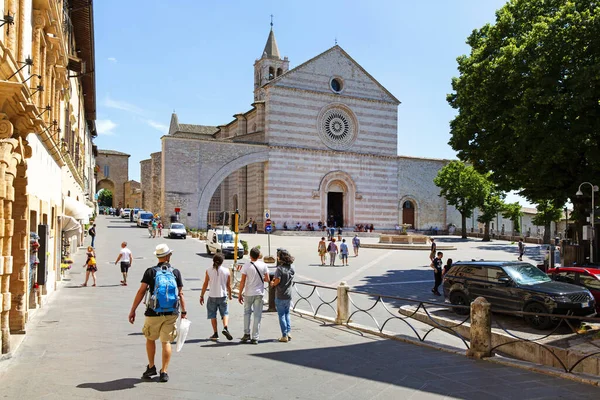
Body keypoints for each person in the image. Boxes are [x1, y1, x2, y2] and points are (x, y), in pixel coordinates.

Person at [128, 244, 187, 383]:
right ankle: (164, 371)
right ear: (168, 256)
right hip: (171, 312)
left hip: (153, 312)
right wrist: (184, 311)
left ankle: (151, 366)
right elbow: (180, 293)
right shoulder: (175, 272)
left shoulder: (150, 272)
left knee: (150, 338)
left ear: (158, 256)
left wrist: (133, 310)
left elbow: (141, 291)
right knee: (166, 342)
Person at [238, 247, 269, 344]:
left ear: (250, 255)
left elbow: (242, 281)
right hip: (259, 293)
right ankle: (255, 337)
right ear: (258, 255)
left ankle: (246, 333)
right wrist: (260, 280)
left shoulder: (246, 266)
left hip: (248, 293)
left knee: (247, 313)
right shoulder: (263, 265)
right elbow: (267, 279)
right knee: (257, 315)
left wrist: (240, 294)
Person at [200, 253, 233, 341]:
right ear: (222, 262)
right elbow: (228, 285)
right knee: (225, 313)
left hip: (212, 296)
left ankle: (215, 333)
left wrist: (202, 295)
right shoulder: (226, 271)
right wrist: (230, 294)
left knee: (212, 315)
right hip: (223, 295)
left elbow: (205, 283)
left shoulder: (208, 270)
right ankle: (225, 327)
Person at [271, 249, 295, 342]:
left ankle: (284, 335)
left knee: (281, 315)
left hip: (280, 294)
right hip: (288, 294)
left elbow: (277, 280)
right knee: (287, 313)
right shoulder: (292, 268)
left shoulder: (279, 269)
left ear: (281, 258)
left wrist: (273, 283)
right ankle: (288, 332)